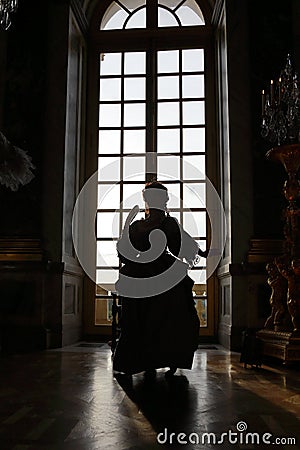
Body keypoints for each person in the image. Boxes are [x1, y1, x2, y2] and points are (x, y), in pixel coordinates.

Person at [112, 181, 208, 378]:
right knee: (169, 312)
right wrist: (200, 251)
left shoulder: (138, 225)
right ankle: (167, 358)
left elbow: (124, 252)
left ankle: (140, 361)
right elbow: (181, 248)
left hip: (138, 273)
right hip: (157, 271)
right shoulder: (165, 223)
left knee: (142, 317)